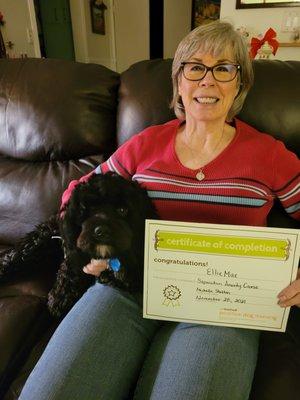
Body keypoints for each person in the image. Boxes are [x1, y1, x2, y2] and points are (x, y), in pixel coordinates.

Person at [19, 21, 300, 400]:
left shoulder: (268, 154)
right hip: (128, 289)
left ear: (240, 83)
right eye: (195, 67)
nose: (208, 80)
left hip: (223, 303)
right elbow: (77, 194)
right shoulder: (146, 143)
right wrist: (86, 249)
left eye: (224, 68)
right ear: (179, 82)